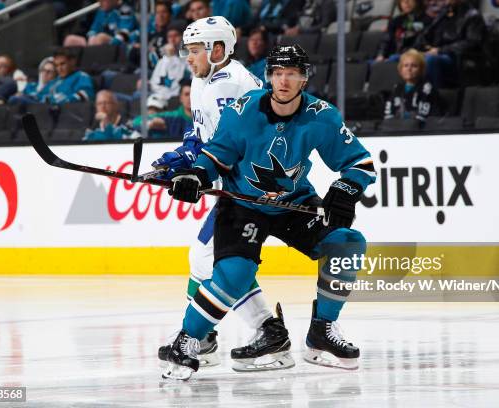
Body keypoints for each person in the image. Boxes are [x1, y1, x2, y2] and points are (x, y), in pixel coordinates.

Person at [162, 45, 376, 381]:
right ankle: (186, 341)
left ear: (304, 79)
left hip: (293, 204)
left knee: (347, 244)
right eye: (277, 73)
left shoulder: (322, 115)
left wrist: (345, 190)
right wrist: (195, 176)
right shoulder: (242, 111)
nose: (284, 80)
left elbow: (360, 163)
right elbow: (216, 155)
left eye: (292, 73)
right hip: (242, 205)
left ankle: (322, 331)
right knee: (233, 275)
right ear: (269, 77)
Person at [153, 16, 294, 373]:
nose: (189, 57)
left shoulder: (228, 85)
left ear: (218, 50)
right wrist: (181, 157)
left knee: (207, 258)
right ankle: (219, 335)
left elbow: (228, 144)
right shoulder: (208, 80)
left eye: (195, 50)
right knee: (210, 258)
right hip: (243, 184)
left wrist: (192, 167)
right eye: (187, 50)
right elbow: (202, 131)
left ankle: (249, 333)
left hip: (252, 186)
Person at [413, 0, 487, 87]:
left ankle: (434, 97)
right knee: (397, 58)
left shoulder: (472, 15)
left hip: (457, 59)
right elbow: (427, 34)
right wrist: (420, 48)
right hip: (436, 53)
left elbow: (472, 43)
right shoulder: (444, 13)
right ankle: (401, 95)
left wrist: (440, 50)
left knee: (431, 60)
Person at [384, 49, 440, 125]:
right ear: (400, 70)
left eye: (414, 66)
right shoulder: (397, 87)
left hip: (417, 129)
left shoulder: (427, 88)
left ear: (421, 70)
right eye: (405, 66)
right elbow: (389, 112)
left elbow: (423, 116)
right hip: (396, 129)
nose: (409, 69)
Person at [149, 25, 192, 108]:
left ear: (183, 38)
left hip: (178, 97)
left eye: (176, 36)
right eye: (169, 37)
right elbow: (154, 82)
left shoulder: (189, 57)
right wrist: (169, 58)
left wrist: (172, 58)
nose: (172, 40)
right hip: (160, 96)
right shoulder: (163, 60)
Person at [63, 0, 138, 47]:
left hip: (123, 45)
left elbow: (124, 33)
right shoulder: (101, 11)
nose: (99, 2)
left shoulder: (125, 10)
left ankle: (94, 68)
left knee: (100, 38)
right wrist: (91, 38)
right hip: (98, 45)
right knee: (70, 39)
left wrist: (111, 43)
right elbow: (93, 29)